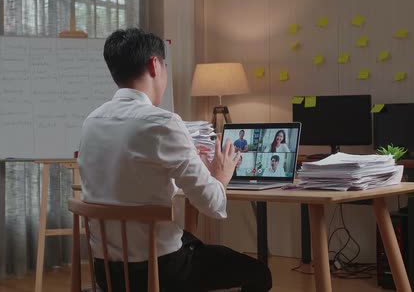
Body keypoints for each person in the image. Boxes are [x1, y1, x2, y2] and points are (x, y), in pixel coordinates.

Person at [77, 28, 272, 292]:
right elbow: (213, 205)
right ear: (154, 64)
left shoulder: (91, 122)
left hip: (106, 272)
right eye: (165, 65)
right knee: (259, 273)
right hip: (160, 271)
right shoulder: (163, 122)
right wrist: (220, 174)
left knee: (189, 240)